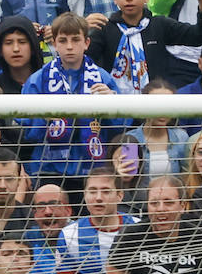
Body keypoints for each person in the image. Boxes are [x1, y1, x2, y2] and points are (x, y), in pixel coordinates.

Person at [21, 12, 124, 189]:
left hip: (92, 170)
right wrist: (43, 118)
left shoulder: (102, 78)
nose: (69, 46)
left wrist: (112, 104)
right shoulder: (38, 80)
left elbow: (122, 127)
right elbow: (26, 132)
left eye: (76, 40)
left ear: (86, 43)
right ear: (54, 44)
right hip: (47, 170)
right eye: (63, 40)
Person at [86, 0, 202, 93]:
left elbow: (200, 36)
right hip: (114, 100)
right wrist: (82, 28)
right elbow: (82, 59)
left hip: (154, 101)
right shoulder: (105, 28)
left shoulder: (159, 25)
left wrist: (201, 3)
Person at [0, 15, 44, 94]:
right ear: (0, 50)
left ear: (33, 47)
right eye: (8, 43)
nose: (16, 49)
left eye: (22, 42)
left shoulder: (51, 84)